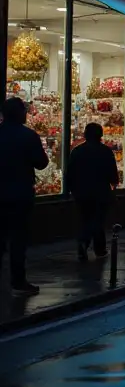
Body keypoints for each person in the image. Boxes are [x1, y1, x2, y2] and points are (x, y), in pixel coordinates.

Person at [0, 97, 49, 295]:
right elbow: (42, 163)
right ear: (20, 114)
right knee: (18, 241)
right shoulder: (29, 136)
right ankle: (18, 282)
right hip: (20, 195)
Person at [65, 122, 119, 261]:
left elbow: (69, 173)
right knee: (98, 220)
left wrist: (71, 189)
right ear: (100, 135)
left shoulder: (77, 151)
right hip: (100, 191)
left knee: (85, 218)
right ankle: (97, 247)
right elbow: (112, 173)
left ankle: (86, 243)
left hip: (81, 191)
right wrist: (114, 185)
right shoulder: (106, 151)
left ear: (85, 135)